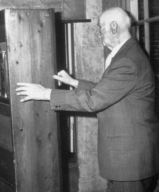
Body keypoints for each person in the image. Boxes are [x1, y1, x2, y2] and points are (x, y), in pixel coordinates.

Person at [16, 7, 159, 192]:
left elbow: (94, 101)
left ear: (114, 27)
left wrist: (46, 93)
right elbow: (108, 92)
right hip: (132, 157)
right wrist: (74, 82)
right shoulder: (128, 53)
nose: (98, 33)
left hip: (130, 161)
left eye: (101, 27)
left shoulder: (127, 61)